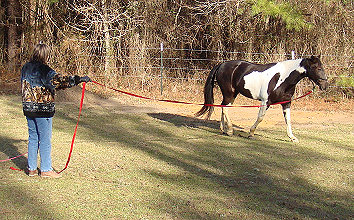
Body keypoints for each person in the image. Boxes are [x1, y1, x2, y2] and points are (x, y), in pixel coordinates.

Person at [21, 43, 90, 178]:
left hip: (29, 109)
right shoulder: (45, 70)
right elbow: (59, 81)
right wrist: (78, 79)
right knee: (45, 139)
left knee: (33, 137)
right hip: (43, 111)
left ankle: (32, 168)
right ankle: (46, 169)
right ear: (45, 55)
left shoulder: (25, 68)